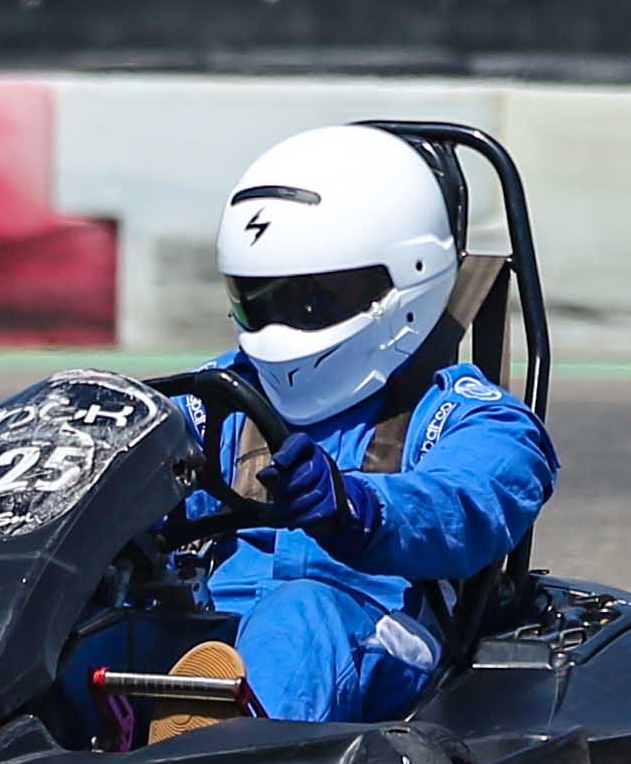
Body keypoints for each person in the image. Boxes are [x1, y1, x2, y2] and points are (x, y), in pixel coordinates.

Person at [149, 121, 561, 726]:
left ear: (405, 280)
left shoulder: (468, 414)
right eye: (262, 297)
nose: (283, 323)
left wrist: (357, 507)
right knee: (96, 614)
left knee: (299, 616)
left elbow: (468, 500)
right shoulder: (214, 397)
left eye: (314, 299)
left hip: (370, 629)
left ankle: (210, 753)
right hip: (209, 626)